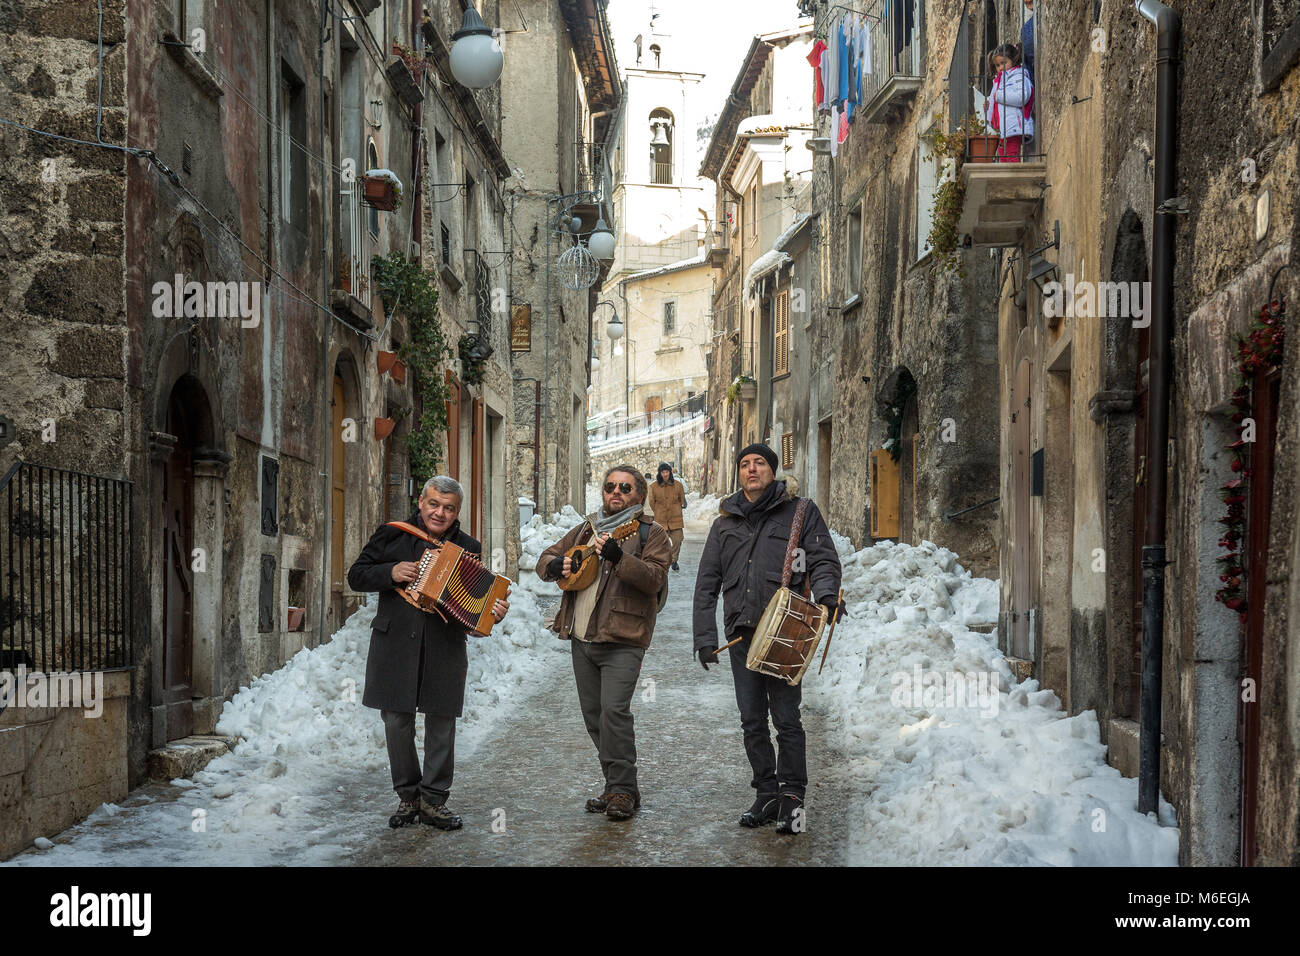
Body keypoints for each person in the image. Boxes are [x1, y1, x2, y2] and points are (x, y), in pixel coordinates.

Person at [692, 444, 842, 835]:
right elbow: (707, 582)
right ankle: (766, 792)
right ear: (738, 473)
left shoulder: (800, 513)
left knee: (787, 718)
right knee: (751, 720)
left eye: (759, 463)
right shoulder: (724, 522)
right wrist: (704, 636)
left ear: (773, 471)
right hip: (741, 634)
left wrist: (827, 597)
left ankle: (792, 797)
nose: (752, 469)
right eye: (745, 464)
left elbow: (823, 558)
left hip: (786, 632)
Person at [347, 475, 509, 830]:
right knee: (396, 722)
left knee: (441, 723)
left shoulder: (469, 547)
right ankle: (408, 797)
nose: (440, 513)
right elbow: (356, 576)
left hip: (445, 645)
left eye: (449, 508)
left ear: (457, 512)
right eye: (434, 504)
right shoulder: (392, 533)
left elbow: (474, 603)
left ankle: (434, 800)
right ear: (421, 502)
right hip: (393, 644)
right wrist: (392, 571)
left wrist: (492, 613)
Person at [536, 465, 671, 820]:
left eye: (625, 488)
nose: (616, 492)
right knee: (595, 718)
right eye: (610, 486)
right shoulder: (586, 528)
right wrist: (557, 566)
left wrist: (619, 558)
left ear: (639, 496)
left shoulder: (650, 533)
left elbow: (655, 578)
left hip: (624, 639)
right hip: (582, 636)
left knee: (614, 713)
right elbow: (545, 557)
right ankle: (617, 788)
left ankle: (623, 789)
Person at [987, 42, 1033, 163]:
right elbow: (994, 104)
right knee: (1003, 158)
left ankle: (1016, 178)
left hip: (1012, 127)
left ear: (1013, 60)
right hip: (1000, 130)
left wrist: (999, 96)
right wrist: (986, 107)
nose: (1000, 68)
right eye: (997, 65)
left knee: (1012, 156)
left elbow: (1022, 96)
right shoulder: (997, 82)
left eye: (1003, 63)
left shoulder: (1018, 75)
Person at [647, 461, 686, 571]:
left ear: (670, 473)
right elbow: (651, 502)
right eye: (663, 472)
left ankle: (674, 560)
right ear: (659, 473)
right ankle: (664, 561)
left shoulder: (678, 485)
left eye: (667, 472)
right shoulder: (653, 487)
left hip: (676, 519)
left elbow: (681, 499)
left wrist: (675, 509)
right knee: (661, 543)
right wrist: (659, 511)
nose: (665, 474)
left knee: (678, 541)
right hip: (661, 520)